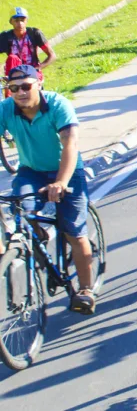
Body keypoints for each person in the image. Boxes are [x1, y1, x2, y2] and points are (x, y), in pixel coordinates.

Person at [0, 65, 97, 313]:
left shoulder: (58, 105)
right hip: (31, 171)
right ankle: (37, 236)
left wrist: (62, 182)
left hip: (68, 170)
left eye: (26, 86)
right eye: (13, 88)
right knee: (21, 210)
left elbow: (70, 145)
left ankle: (86, 289)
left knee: (74, 232)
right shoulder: (6, 109)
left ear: (39, 83)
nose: (20, 92)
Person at [0, 7, 56, 82]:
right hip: (15, 73)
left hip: (32, 71)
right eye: (16, 21)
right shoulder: (5, 37)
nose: (20, 23)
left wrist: (38, 68)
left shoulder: (35, 33)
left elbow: (52, 55)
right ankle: (9, 89)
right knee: (12, 58)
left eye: (22, 20)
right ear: (11, 22)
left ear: (26, 21)